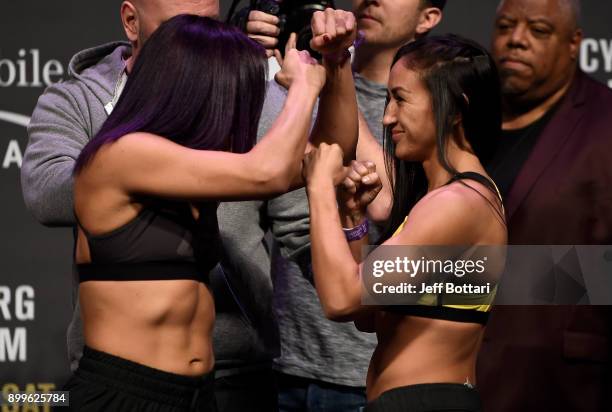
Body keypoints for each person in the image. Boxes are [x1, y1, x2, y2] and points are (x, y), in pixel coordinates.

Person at [61, 12, 359, 411]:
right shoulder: (121, 154)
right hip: (127, 394)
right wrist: (303, 87)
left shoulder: (199, 165)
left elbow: (331, 152)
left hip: (200, 393)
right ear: (196, 90)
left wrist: (336, 64)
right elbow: (266, 173)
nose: (241, 112)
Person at [22, 1, 276, 409]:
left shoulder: (239, 88)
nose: (197, 37)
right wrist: (132, 178)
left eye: (207, 23)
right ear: (131, 21)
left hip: (251, 371)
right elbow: (46, 194)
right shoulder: (112, 139)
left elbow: (308, 183)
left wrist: (330, 73)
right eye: (181, 26)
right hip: (131, 378)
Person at [227, 2, 445, 410]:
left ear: (428, 18)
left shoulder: (426, 103)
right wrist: (245, 58)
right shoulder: (305, 76)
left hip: (360, 366)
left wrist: (323, 79)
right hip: (284, 355)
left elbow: (386, 202)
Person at [303, 34, 507, 412]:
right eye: (387, 100)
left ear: (456, 108)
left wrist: (317, 189)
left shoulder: (459, 204)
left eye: (401, 99)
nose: (387, 117)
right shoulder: (448, 201)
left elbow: (340, 299)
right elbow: (367, 315)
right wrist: (352, 219)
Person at [477, 0, 612, 410]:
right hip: (446, 377)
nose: (515, 40)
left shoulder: (606, 123)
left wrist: (455, 272)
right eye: (505, 26)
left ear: (574, 44)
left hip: (559, 387)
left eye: (537, 30)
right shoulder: (465, 114)